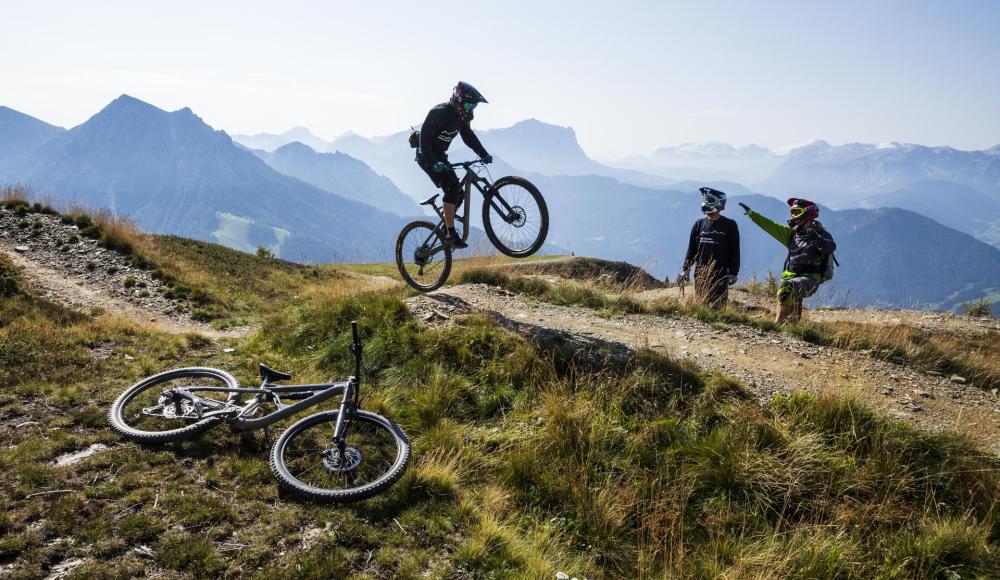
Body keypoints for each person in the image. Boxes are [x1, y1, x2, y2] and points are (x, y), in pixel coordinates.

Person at [416, 81, 492, 249]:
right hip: (426, 156)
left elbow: (469, 137)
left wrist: (483, 153)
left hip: (441, 157)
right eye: (468, 105)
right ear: (458, 100)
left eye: (473, 107)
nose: (470, 109)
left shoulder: (460, 118)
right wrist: (434, 163)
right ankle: (450, 233)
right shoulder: (439, 113)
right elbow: (424, 140)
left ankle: (445, 227)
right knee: (451, 190)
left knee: (459, 194)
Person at [738, 198, 837, 323]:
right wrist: (752, 214)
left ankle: (777, 325)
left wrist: (818, 239)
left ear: (808, 213)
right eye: (792, 212)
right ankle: (792, 330)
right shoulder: (792, 234)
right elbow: (771, 226)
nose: (794, 215)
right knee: (792, 312)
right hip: (789, 276)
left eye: (797, 211)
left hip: (810, 279)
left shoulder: (821, 234)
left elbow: (831, 247)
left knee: (786, 288)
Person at [677, 187, 740, 308]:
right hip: (700, 273)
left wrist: (733, 272)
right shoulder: (699, 224)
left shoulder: (730, 225)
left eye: (710, 199)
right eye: (705, 199)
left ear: (720, 203)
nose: (706, 202)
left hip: (720, 274)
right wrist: (686, 269)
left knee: (718, 307)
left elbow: (735, 250)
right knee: (701, 306)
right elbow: (692, 250)